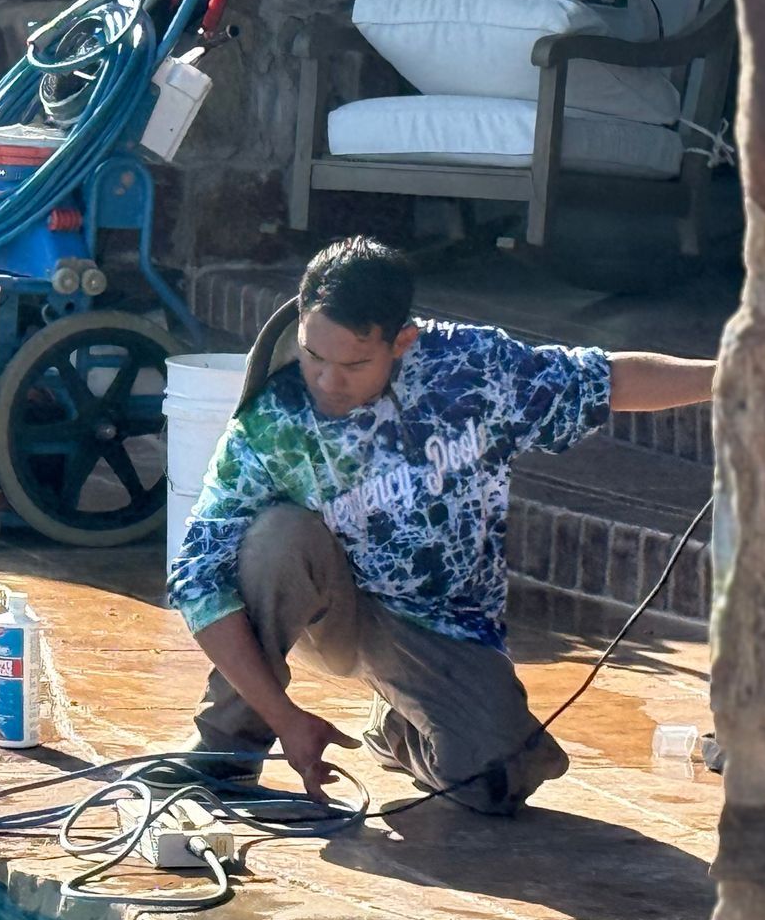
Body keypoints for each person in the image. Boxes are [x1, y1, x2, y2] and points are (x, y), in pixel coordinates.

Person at [166, 236, 716, 814]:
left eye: (353, 363)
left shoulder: (470, 370)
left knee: (491, 783)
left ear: (402, 341)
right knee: (275, 538)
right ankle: (224, 746)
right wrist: (287, 719)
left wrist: (726, 376)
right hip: (333, 609)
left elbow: (604, 380)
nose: (326, 381)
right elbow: (197, 580)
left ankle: (401, 725)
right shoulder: (271, 420)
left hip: (443, 627)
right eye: (313, 355)